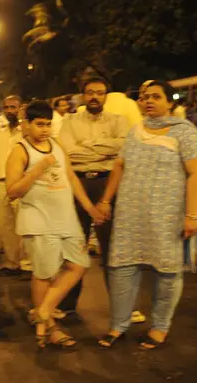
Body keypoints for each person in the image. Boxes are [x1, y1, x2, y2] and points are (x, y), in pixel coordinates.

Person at [96, 80, 197, 350]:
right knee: (122, 267)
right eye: (145, 97)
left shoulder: (186, 132)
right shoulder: (136, 131)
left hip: (167, 215)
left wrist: (192, 216)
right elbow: (120, 166)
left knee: (167, 270)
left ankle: (160, 327)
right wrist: (105, 200)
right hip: (130, 213)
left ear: (169, 102)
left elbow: (196, 174)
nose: (148, 101)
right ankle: (118, 324)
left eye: (156, 97)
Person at [6, 101, 104, 350]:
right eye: (39, 124)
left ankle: (43, 311)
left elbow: (70, 178)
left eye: (48, 124)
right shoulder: (20, 150)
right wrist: (37, 169)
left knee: (79, 264)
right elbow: (13, 191)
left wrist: (89, 208)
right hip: (39, 221)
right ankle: (49, 327)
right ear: (25, 124)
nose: (45, 129)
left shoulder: (57, 145)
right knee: (45, 273)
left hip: (66, 219)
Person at [57, 76, 130, 316]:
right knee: (74, 243)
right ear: (82, 95)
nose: (95, 97)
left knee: (112, 248)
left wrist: (86, 146)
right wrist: (103, 148)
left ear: (106, 96)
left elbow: (123, 147)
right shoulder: (69, 121)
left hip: (108, 185)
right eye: (90, 92)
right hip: (78, 184)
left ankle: (121, 308)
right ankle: (68, 304)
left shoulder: (120, 121)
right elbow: (67, 150)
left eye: (99, 92)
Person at [0, 95, 26, 277]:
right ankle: (12, 262)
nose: (10, 111)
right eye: (7, 107)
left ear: (20, 108)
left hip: (22, 181)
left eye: (13, 107)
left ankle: (28, 264)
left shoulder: (26, 129)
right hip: (2, 181)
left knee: (24, 224)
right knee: (5, 224)